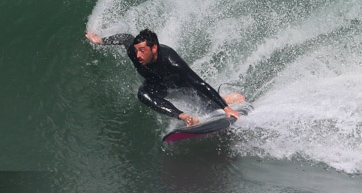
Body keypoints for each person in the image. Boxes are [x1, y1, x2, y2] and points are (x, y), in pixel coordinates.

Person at [85, 28, 244, 127]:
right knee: (142, 94)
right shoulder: (135, 52)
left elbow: (198, 83)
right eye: (137, 50)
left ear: (154, 48)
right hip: (156, 83)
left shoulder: (171, 61)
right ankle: (184, 116)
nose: (138, 55)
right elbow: (126, 38)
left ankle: (225, 100)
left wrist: (226, 109)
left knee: (207, 104)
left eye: (142, 51)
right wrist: (101, 41)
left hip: (177, 82)